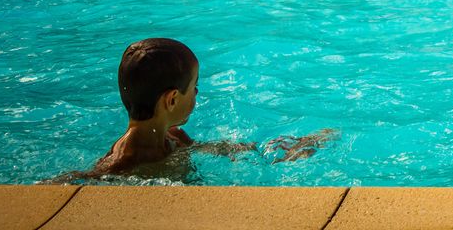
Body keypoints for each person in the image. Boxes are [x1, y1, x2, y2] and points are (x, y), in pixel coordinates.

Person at [76, 38, 333, 180]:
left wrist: (277, 153)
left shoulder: (174, 138)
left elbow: (218, 150)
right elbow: (80, 180)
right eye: (194, 87)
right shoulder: (124, 161)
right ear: (172, 100)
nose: (197, 94)